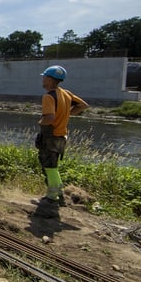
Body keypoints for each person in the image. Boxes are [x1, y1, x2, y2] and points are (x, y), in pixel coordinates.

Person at [37, 65, 88, 205]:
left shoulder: (48, 96)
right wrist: (68, 114)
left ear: (49, 79)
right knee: (52, 166)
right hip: (61, 137)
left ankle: (52, 197)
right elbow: (83, 105)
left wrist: (40, 122)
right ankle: (59, 194)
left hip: (51, 136)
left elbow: (50, 118)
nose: (42, 79)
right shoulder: (66, 94)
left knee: (49, 167)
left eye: (44, 77)